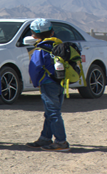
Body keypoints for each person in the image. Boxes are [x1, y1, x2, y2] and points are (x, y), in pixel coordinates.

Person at [25, 18, 70, 152]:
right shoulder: (59, 45)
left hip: (47, 83)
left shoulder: (40, 50)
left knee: (53, 113)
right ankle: (45, 138)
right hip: (60, 82)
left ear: (33, 34)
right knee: (51, 112)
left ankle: (61, 142)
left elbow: (35, 67)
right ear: (52, 32)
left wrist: (35, 82)